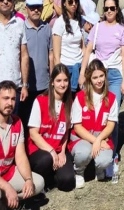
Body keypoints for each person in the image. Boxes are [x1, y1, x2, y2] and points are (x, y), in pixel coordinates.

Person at [0, 81, 43, 208]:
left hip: (8, 172)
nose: (10, 103)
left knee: (39, 183)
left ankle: (10, 200)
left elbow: (20, 156)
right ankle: (7, 198)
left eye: (13, 99)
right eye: (6, 98)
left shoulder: (17, 122)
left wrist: (28, 180)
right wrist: (7, 187)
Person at [80, 0, 124, 157]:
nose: (109, 11)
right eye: (106, 8)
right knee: (97, 113)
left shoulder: (122, 30)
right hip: (98, 75)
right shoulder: (97, 28)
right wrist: (82, 74)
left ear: (116, 9)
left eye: (112, 8)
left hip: (115, 75)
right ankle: (96, 147)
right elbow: (87, 52)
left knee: (111, 114)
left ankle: (111, 153)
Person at [27, 64, 74, 193]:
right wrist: (51, 151)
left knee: (68, 181)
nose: (62, 84)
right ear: (52, 82)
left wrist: (62, 152)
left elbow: (66, 132)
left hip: (58, 150)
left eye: (65, 80)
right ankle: (38, 181)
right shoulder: (41, 100)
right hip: (40, 151)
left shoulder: (69, 103)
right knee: (46, 159)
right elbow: (33, 134)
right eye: (58, 80)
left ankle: (51, 178)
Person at [69, 60, 117, 188]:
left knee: (105, 160)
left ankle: (99, 169)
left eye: (101, 76)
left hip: (101, 137)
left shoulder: (112, 98)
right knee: (84, 153)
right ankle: (79, 171)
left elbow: (111, 125)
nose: (99, 80)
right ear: (89, 78)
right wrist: (96, 141)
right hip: (82, 137)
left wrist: (100, 139)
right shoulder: (80, 97)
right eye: (95, 77)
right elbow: (77, 127)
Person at [21, 0, 53, 130]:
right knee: (25, 119)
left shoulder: (47, 28)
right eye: (32, 7)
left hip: (44, 84)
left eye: (38, 7)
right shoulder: (21, 29)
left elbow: (50, 54)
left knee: (42, 120)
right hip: (26, 86)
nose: (36, 10)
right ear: (26, 8)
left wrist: (52, 78)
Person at [52, 0, 84, 92]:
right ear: (64, 4)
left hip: (79, 67)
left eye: (76, 1)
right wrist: (59, 76)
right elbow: (56, 56)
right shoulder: (59, 23)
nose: (74, 4)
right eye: (70, 2)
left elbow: (82, 46)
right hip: (66, 68)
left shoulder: (79, 20)